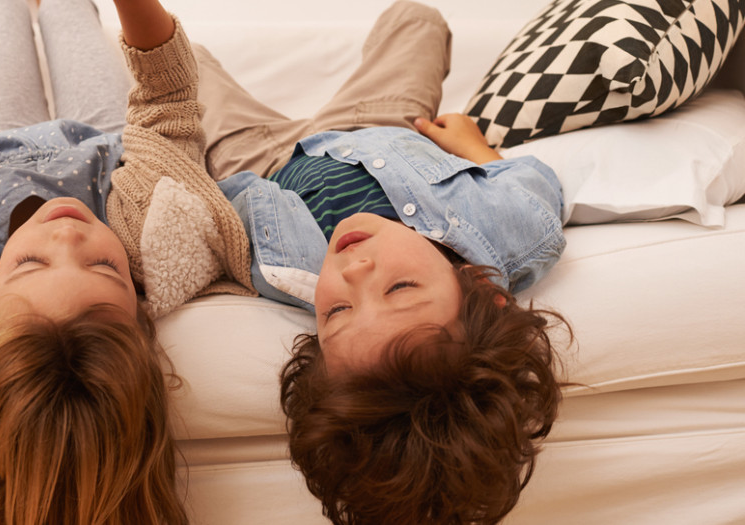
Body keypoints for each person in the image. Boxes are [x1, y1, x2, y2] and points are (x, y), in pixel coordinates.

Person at [0, 0, 254, 523]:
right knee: (67, 9)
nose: (68, 234)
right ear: (141, 315)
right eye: (104, 268)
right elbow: (168, 107)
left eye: (30, 262)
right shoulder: (154, 236)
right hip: (103, 139)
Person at [195, 2, 571, 524]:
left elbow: (228, 201)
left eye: (337, 312)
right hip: (381, 123)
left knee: (184, 57)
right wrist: (476, 148)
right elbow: (536, 184)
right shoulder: (516, 233)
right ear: (480, 290)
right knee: (417, 18)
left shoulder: (282, 273)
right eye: (400, 289)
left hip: (265, 157)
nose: (352, 273)